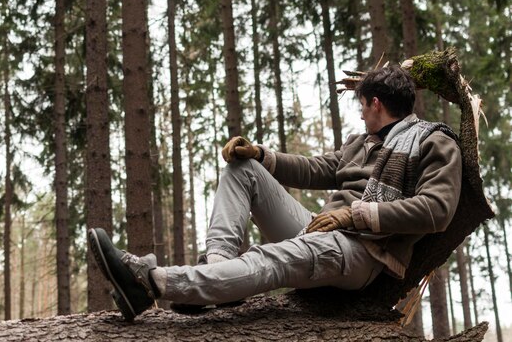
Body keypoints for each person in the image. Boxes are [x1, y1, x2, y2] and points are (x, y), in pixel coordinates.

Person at [88, 65, 462, 321]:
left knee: (270, 258)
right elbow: (317, 168)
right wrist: (260, 155)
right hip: (325, 230)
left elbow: (437, 209)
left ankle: (153, 283)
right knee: (241, 169)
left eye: (362, 106)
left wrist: (356, 215)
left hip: (364, 250)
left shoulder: (434, 141)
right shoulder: (360, 143)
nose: (361, 114)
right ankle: (220, 266)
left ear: (375, 103)